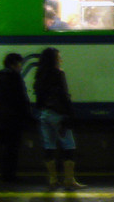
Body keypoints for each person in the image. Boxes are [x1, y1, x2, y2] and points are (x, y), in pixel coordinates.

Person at [33, 47, 85, 190]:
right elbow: (64, 95)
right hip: (58, 115)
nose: (60, 59)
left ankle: (53, 179)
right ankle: (69, 180)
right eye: (58, 57)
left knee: (49, 146)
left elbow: (38, 97)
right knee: (69, 146)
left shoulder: (39, 75)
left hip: (44, 115)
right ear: (54, 59)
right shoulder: (58, 73)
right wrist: (70, 114)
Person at [0, 52, 33, 183]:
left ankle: (4, 174)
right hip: (13, 120)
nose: (21, 67)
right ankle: (10, 176)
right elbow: (21, 98)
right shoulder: (15, 77)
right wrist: (27, 116)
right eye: (20, 64)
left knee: (3, 149)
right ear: (14, 64)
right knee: (12, 149)